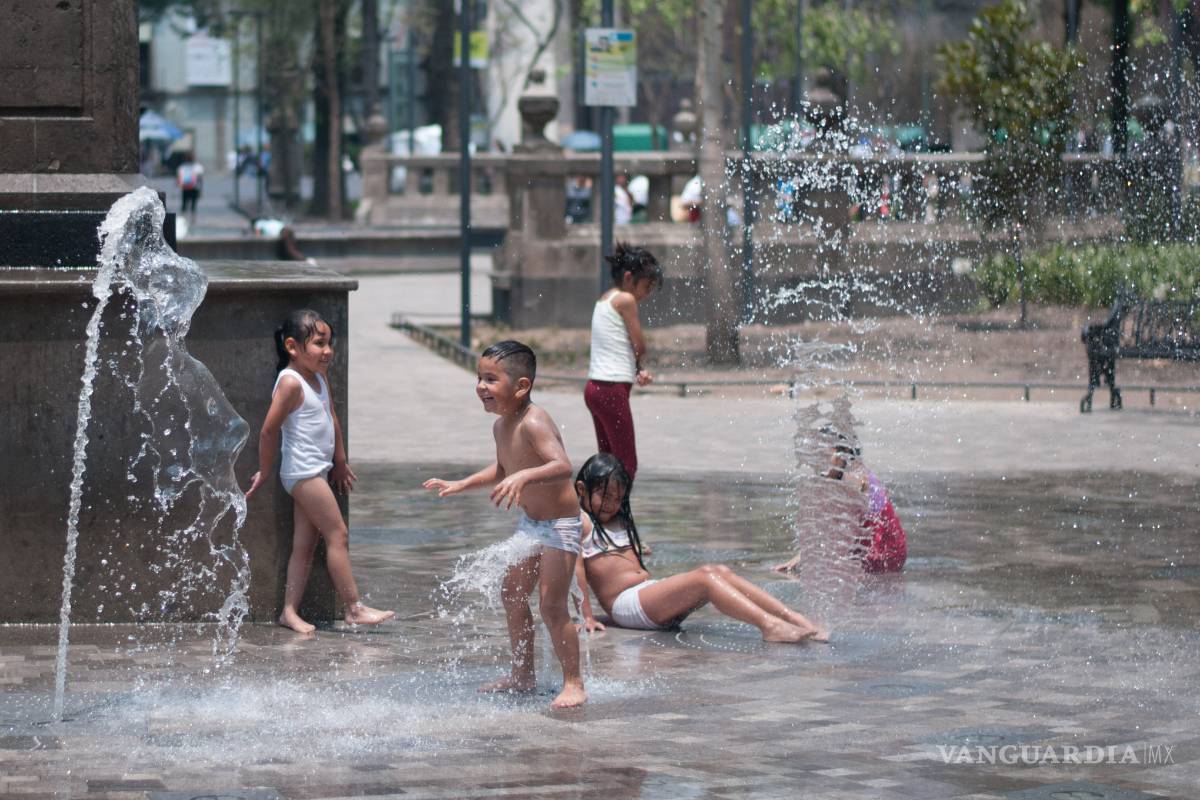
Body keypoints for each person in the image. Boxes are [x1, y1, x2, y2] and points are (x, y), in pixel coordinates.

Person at [423, 341, 587, 709]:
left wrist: (524, 477)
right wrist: (463, 483)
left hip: (560, 525)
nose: (481, 386)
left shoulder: (534, 420)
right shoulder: (502, 426)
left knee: (551, 605)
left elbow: (562, 465)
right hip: (532, 524)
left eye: (491, 379)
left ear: (521, 386)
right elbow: (502, 469)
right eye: (479, 378)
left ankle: (574, 682)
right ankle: (523, 674)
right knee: (512, 593)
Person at [245, 309, 395, 633]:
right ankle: (354, 607)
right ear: (292, 347)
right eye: (318, 343)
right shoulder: (290, 383)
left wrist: (340, 460)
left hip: (317, 470)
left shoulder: (318, 376)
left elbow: (332, 417)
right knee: (337, 534)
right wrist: (265, 470)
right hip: (302, 473)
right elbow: (268, 431)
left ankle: (289, 611)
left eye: (329, 343)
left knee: (305, 545)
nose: (327, 351)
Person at [573, 454, 828, 643]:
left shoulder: (616, 520)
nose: (611, 504)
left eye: (617, 499)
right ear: (581, 490)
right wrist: (585, 616)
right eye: (605, 497)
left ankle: (794, 618)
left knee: (719, 571)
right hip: (627, 604)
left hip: (646, 597)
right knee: (705, 576)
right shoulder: (580, 521)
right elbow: (577, 572)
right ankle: (769, 625)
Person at [773, 428, 907, 575]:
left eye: (823, 456)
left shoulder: (854, 479)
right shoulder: (843, 477)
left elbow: (841, 530)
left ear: (841, 454)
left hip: (883, 553)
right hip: (877, 550)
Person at [584, 242, 662, 483]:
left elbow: (618, 345)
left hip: (594, 389)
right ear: (629, 278)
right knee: (627, 464)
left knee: (608, 461)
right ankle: (620, 517)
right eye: (646, 286)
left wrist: (638, 369)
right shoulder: (626, 300)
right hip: (611, 390)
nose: (646, 294)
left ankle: (599, 515)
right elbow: (639, 344)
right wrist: (641, 361)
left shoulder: (605, 299)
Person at [176, 153, 204, 227]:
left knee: (184, 204)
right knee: (193, 204)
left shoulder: (182, 167)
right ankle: (192, 219)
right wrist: (201, 189)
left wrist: (178, 185)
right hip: (194, 188)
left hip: (185, 188)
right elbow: (200, 179)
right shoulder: (197, 167)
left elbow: (178, 178)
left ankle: (184, 219)